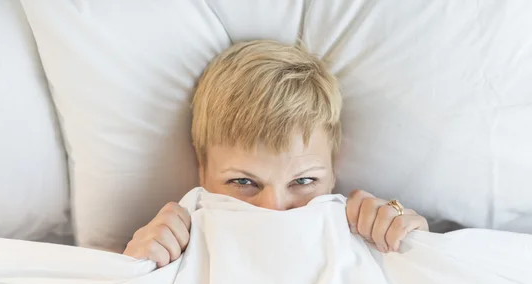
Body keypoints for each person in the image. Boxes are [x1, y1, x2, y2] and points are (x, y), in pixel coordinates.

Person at [124, 40, 428, 267]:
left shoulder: (363, 236)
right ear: (201, 168)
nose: (274, 209)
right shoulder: (173, 252)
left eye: (304, 180)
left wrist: (412, 240)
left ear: (333, 168)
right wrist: (131, 271)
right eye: (244, 182)